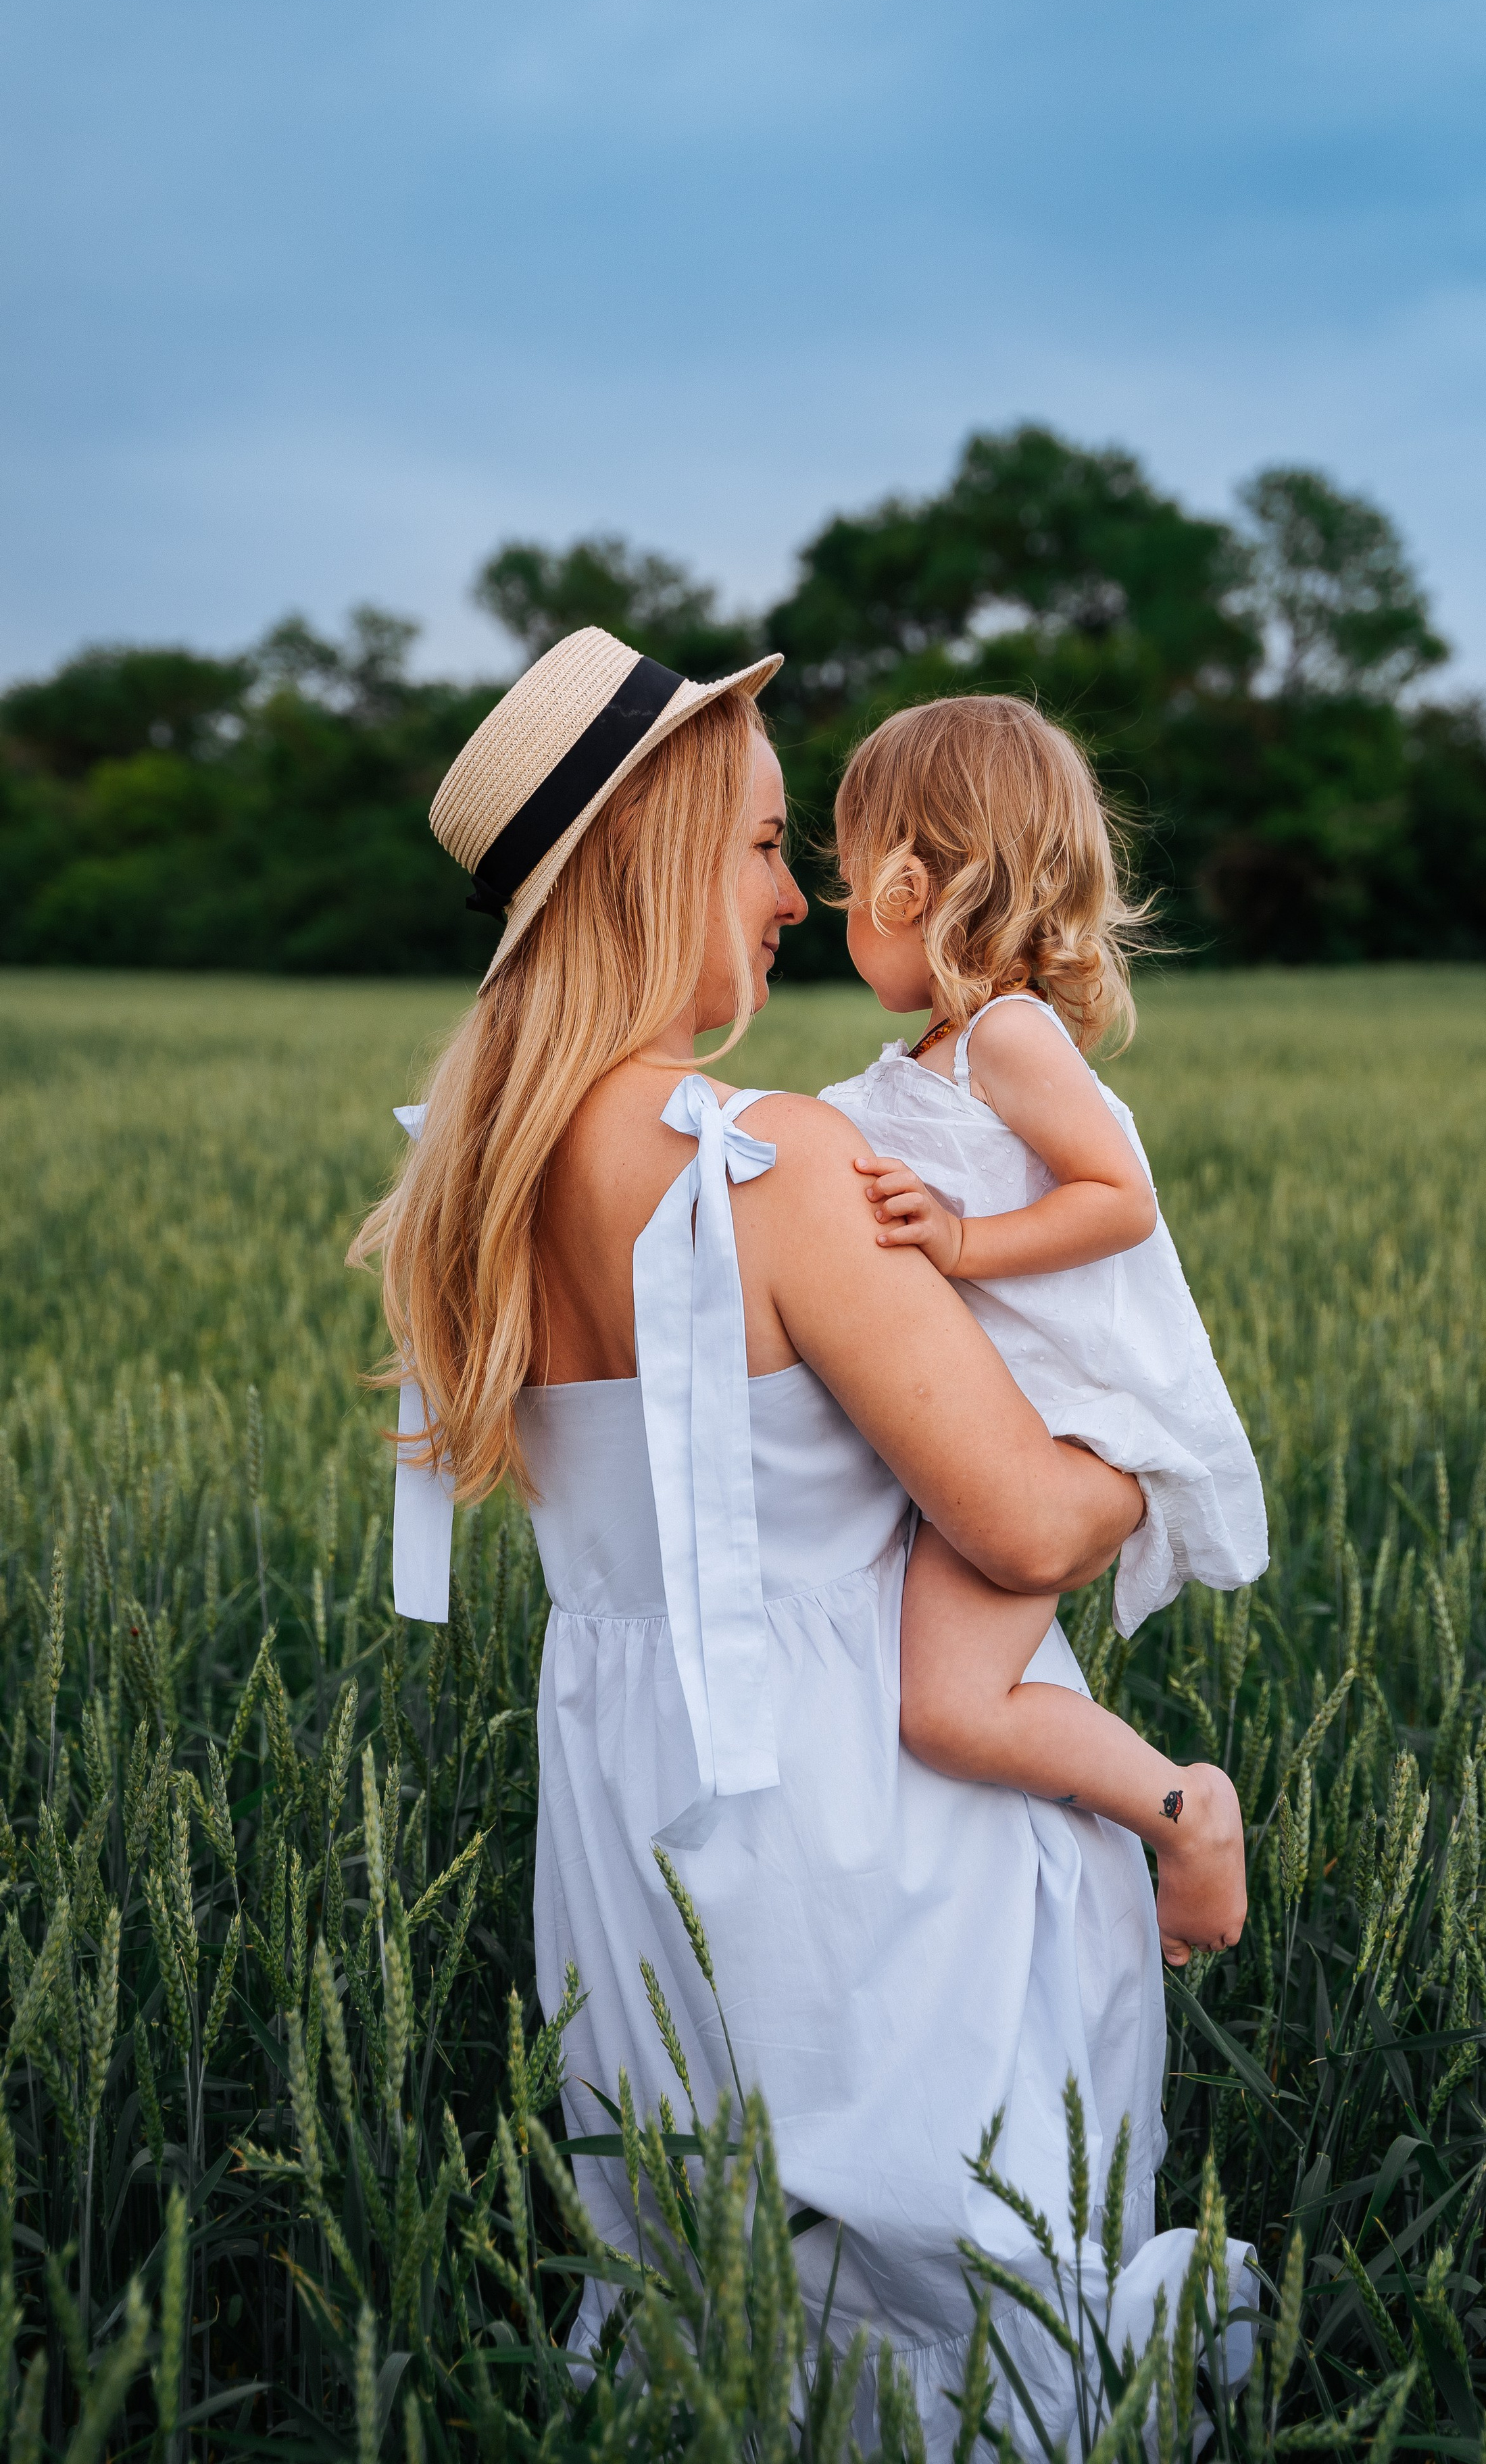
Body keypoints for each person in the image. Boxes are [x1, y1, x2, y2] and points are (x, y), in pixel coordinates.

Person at [352, 628, 1253, 2440]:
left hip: (630, 1802)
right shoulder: (759, 1157)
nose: (794, 897)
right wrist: (1149, 1455)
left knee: (720, 2302)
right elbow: (1023, 1523)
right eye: (766, 846)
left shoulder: (477, 1173)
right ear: (653, 858)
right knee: (981, 2308)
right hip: (871, 1814)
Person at [819, 695, 1267, 1958]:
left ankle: (1186, 1814)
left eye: (848, 884)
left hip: (1065, 1427)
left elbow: (1119, 1198)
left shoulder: (1007, 1037)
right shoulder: (940, 1051)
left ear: (909, 887)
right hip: (996, 1426)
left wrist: (964, 1245)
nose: (836, 911)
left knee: (949, 1710)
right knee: (932, 1699)